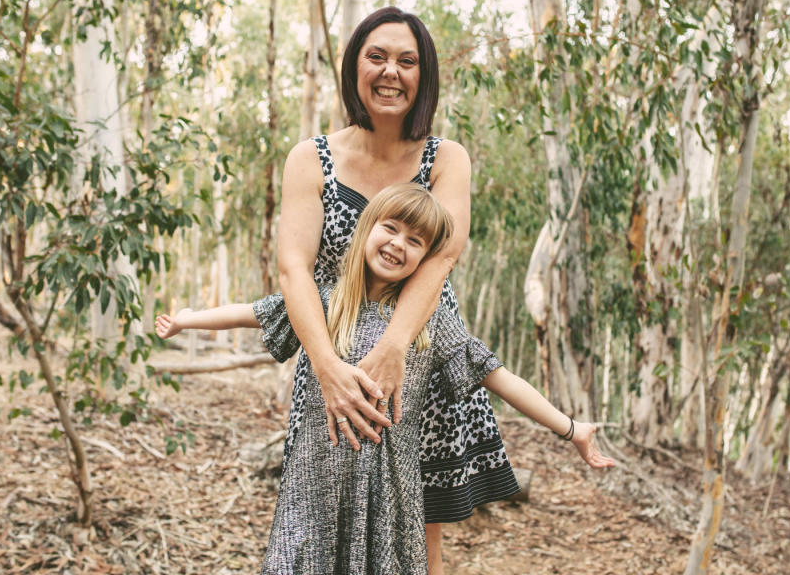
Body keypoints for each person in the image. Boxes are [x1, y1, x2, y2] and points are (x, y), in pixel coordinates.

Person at [159, 184, 614, 574]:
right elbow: (252, 313)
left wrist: (571, 428)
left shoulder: (426, 324)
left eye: (416, 241)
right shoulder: (324, 302)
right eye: (391, 228)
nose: (399, 244)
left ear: (425, 259)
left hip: (388, 495)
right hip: (314, 483)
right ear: (365, 230)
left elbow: (500, 377)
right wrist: (187, 319)